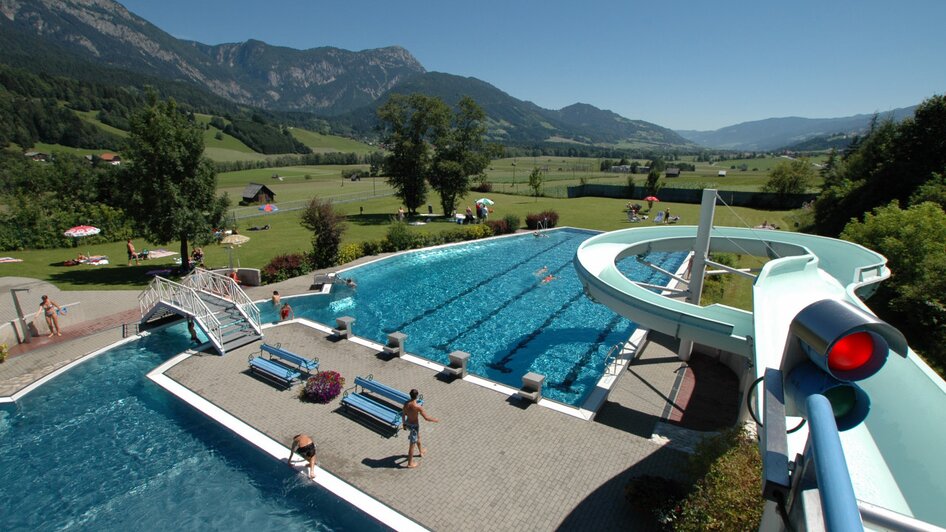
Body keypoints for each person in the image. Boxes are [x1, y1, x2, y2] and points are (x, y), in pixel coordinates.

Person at [402, 389, 438, 468]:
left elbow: (403, 414)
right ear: (417, 396)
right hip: (414, 426)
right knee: (412, 445)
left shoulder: (406, 404)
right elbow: (426, 418)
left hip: (408, 424)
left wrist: (404, 424)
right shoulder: (417, 407)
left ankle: (421, 451)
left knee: (418, 437)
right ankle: (410, 463)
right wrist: (435, 420)